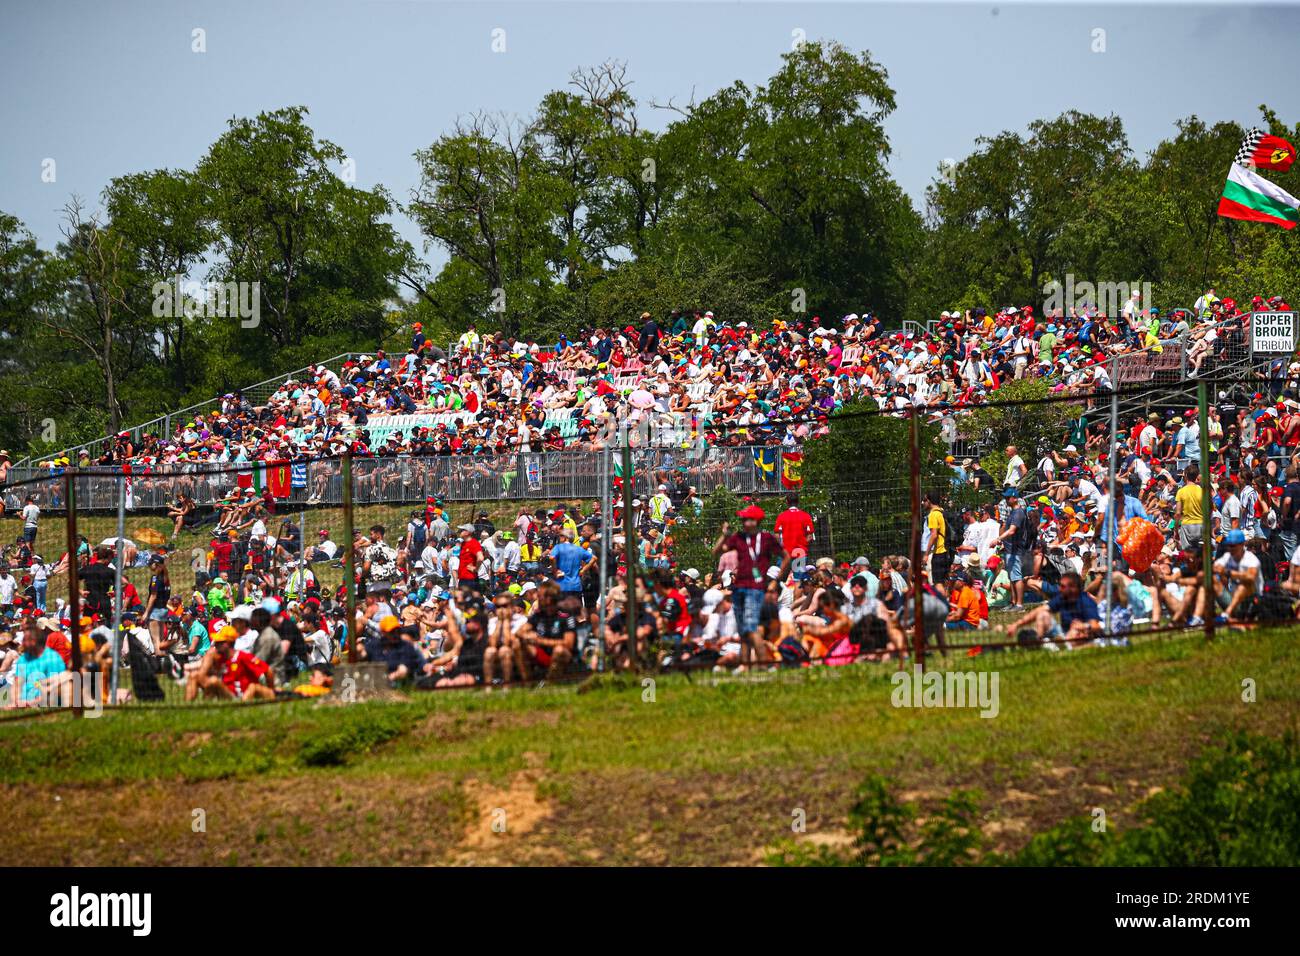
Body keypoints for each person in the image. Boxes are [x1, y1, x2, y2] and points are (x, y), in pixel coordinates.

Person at [712, 505, 788, 670]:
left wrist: (776, 579)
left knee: (751, 628)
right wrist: (724, 536)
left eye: (750, 520)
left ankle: (765, 666)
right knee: (743, 632)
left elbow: (786, 556)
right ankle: (745, 667)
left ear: (758, 521)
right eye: (744, 519)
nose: (746, 523)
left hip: (756, 587)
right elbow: (716, 552)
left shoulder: (767, 538)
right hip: (738, 587)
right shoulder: (738, 537)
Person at [1002, 571, 1100, 650]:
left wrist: (1083, 626)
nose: (1059, 588)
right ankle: (1038, 642)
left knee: (1074, 632)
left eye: (1062, 586)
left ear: (1073, 588)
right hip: (1063, 632)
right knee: (1042, 614)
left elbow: (1096, 626)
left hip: (1080, 635)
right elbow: (1040, 610)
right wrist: (1016, 625)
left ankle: (1055, 645)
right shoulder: (1063, 597)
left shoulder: (1086, 601)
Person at [185, 625, 276, 701]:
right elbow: (202, 674)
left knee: (214, 681)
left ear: (228, 643)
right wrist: (208, 656)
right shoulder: (219, 657)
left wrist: (271, 689)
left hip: (238, 696)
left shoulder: (242, 656)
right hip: (225, 692)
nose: (215, 645)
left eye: (219, 642)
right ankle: (187, 707)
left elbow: (268, 671)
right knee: (194, 675)